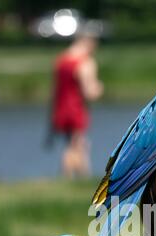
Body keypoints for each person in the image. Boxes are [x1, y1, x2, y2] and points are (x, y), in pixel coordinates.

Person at [52, 30, 103, 178]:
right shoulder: (85, 62)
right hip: (76, 107)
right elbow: (89, 92)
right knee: (75, 146)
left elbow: (56, 88)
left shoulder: (61, 60)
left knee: (76, 144)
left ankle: (82, 178)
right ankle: (69, 178)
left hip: (61, 107)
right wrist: (99, 88)